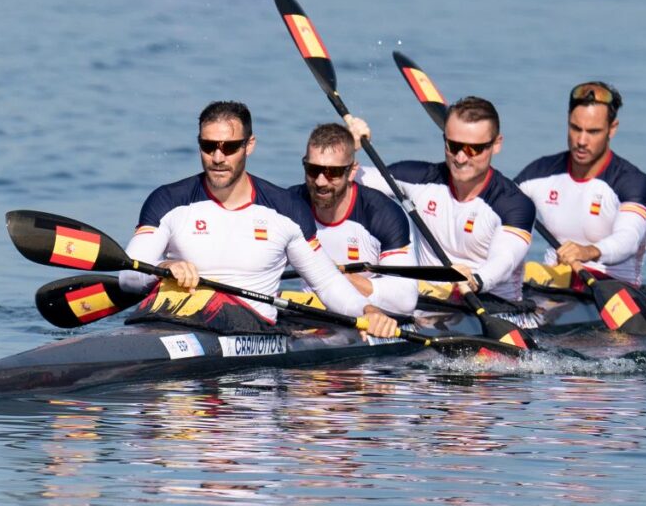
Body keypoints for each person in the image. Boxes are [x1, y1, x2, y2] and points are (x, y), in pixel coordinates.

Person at [118, 100, 398, 338]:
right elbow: (129, 276)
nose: (217, 157)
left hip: (246, 327)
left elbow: (326, 283)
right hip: (170, 319)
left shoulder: (286, 210)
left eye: (229, 147)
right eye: (208, 146)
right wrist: (164, 266)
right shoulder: (168, 200)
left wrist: (368, 311)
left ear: (249, 145)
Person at [352, 96, 536, 302]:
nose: (460, 158)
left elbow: (505, 261)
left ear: (496, 144)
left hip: (492, 305)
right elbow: (346, 181)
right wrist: (348, 147)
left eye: (473, 149)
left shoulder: (513, 204)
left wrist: (476, 280)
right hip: (427, 304)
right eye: (454, 146)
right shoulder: (420, 179)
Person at [515, 82, 646, 287]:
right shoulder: (539, 173)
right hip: (550, 284)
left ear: (612, 129)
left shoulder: (632, 182)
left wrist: (587, 251)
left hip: (612, 288)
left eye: (593, 132)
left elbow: (628, 240)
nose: (581, 140)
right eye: (575, 128)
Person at [288, 123, 418, 315]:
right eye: (313, 169)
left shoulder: (382, 214)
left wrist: (331, 277)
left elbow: (405, 299)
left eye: (333, 172)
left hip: (370, 315)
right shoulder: (290, 205)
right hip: (309, 313)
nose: (320, 181)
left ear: (352, 171)